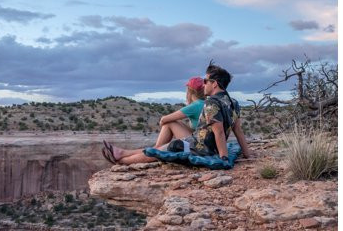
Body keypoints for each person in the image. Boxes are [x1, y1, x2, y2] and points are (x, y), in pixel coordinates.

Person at [103, 61, 252, 165]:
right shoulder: (234, 102)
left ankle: (121, 160)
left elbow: (218, 132)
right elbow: (238, 130)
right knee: (162, 148)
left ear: (215, 84)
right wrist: (247, 154)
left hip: (199, 148)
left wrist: (223, 159)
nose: (204, 84)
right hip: (204, 145)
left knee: (161, 151)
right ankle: (121, 153)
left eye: (206, 81)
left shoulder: (211, 103)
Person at [101, 76, 205, 164]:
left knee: (168, 125)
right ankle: (122, 153)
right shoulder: (204, 104)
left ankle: (122, 159)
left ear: (190, 91)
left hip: (197, 144)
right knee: (160, 144)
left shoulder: (196, 105)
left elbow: (165, 119)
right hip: (199, 141)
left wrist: (163, 123)